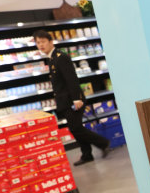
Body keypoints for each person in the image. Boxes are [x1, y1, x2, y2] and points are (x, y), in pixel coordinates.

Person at [34, 30, 111, 166]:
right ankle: (87, 155)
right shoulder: (51, 58)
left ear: (51, 42)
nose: (41, 45)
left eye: (43, 41)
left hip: (72, 100)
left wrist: (77, 99)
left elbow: (72, 79)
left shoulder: (60, 57)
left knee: (75, 128)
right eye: (38, 42)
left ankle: (103, 143)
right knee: (76, 127)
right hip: (65, 101)